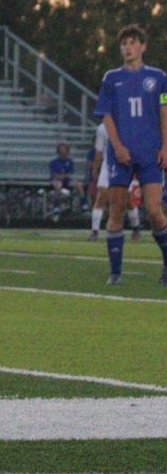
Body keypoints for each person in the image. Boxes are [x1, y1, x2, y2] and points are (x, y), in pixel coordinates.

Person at [94, 23, 167, 285]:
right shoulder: (111, 78)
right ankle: (115, 273)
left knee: (153, 210)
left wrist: (165, 146)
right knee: (116, 208)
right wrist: (118, 146)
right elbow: (106, 114)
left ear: (143, 46)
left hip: (150, 153)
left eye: (133, 42)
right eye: (124, 43)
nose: (128, 47)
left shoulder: (159, 78)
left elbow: (164, 112)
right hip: (121, 155)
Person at [48, 142, 83, 210]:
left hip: (66, 179)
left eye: (64, 149)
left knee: (79, 185)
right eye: (61, 149)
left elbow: (70, 173)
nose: (62, 151)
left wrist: (64, 176)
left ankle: (83, 204)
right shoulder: (53, 162)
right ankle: (56, 206)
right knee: (58, 186)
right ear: (58, 151)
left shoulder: (70, 161)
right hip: (56, 179)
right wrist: (60, 176)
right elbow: (54, 174)